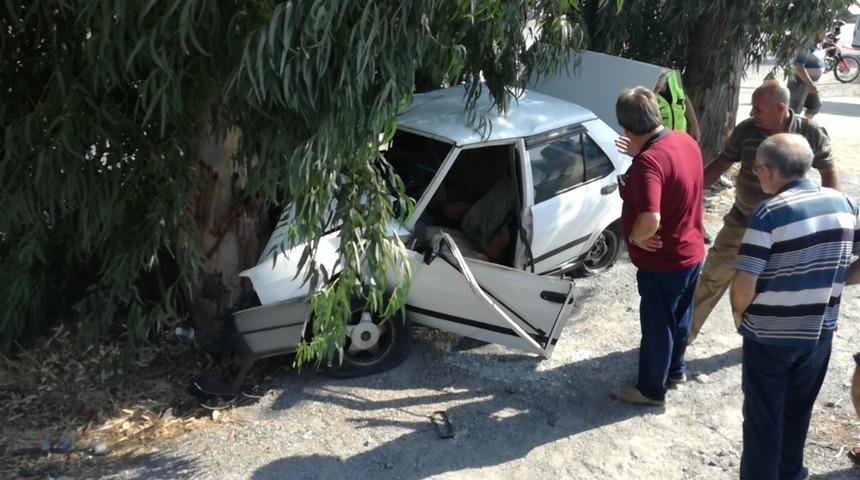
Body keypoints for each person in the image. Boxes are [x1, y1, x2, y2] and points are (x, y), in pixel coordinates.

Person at [730, 133, 859, 479]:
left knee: (762, 420)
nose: (756, 175)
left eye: (757, 169)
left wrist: (738, 312)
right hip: (820, 333)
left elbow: (745, 281)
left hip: (769, 337)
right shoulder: (844, 203)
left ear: (771, 170)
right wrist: (837, 277)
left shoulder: (769, 213)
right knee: (798, 412)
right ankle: (791, 473)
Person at [687, 80, 840, 345]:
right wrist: (689, 192)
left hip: (786, 231)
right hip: (742, 221)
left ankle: (759, 342)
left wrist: (828, 216)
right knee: (712, 277)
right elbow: (721, 164)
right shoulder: (746, 130)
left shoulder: (810, 132)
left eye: (758, 109)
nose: (752, 113)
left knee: (769, 289)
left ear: (780, 108)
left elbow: (828, 171)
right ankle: (683, 336)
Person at [609, 87, 705, 407]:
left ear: (625, 127)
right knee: (680, 315)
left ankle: (650, 390)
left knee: (657, 324)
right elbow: (672, 176)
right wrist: (638, 153)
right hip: (692, 252)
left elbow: (651, 217)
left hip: (663, 262)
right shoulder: (684, 141)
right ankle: (675, 370)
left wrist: (637, 238)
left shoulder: (649, 163)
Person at [788, 32, 826, 120]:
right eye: (822, 32)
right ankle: (792, 126)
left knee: (815, 105)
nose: (824, 35)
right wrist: (810, 85)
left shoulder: (816, 45)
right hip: (800, 83)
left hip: (809, 83)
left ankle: (803, 125)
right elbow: (799, 68)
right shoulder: (806, 46)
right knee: (794, 110)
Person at [655, 69, 701, 142]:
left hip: (681, 137)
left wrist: (694, 124)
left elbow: (684, 99)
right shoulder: (644, 89)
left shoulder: (674, 77)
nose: (656, 86)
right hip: (659, 141)